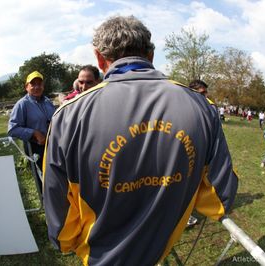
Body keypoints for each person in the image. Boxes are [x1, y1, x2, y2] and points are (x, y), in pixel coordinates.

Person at [43, 15, 238, 266]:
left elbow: (57, 199)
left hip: (100, 255)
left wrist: (65, 240)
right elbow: (220, 197)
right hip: (158, 249)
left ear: (99, 58)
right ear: (151, 55)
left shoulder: (68, 115)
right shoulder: (202, 106)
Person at [8, 71, 55, 192]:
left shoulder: (47, 101)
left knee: (55, 175)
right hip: (35, 148)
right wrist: (34, 132)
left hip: (52, 145)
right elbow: (13, 129)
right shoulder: (22, 104)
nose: (37, 87)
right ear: (26, 87)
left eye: (40, 84)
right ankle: (46, 202)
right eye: (33, 84)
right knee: (43, 178)